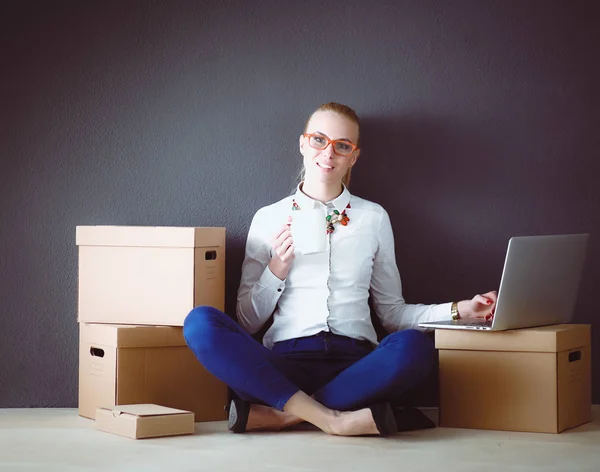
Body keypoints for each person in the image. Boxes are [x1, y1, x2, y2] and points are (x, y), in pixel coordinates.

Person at [183, 102, 497, 437]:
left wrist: (460, 311)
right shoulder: (268, 218)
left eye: (342, 146)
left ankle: (285, 416)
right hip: (284, 366)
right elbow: (247, 321)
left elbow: (392, 314)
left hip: (357, 366)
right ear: (303, 144)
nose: (328, 153)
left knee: (414, 347)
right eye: (319, 140)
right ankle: (336, 420)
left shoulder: (373, 217)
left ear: (353, 156)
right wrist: (277, 267)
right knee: (200, 322)